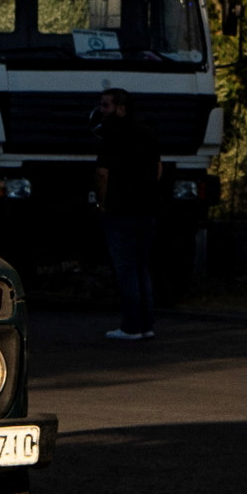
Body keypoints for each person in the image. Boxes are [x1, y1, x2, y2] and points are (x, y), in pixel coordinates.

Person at [94, 84, 164, 341]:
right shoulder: (147, 132)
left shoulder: (111, 135)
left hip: (120, 209)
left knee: (126, 270)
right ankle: (147, 324)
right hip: (146, 208)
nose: (101, 110)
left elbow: (102, 174)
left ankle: (131, 326)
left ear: (120, 109)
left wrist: (102, 203)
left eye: (106, 105)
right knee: (142, 268)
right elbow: (158, 168)